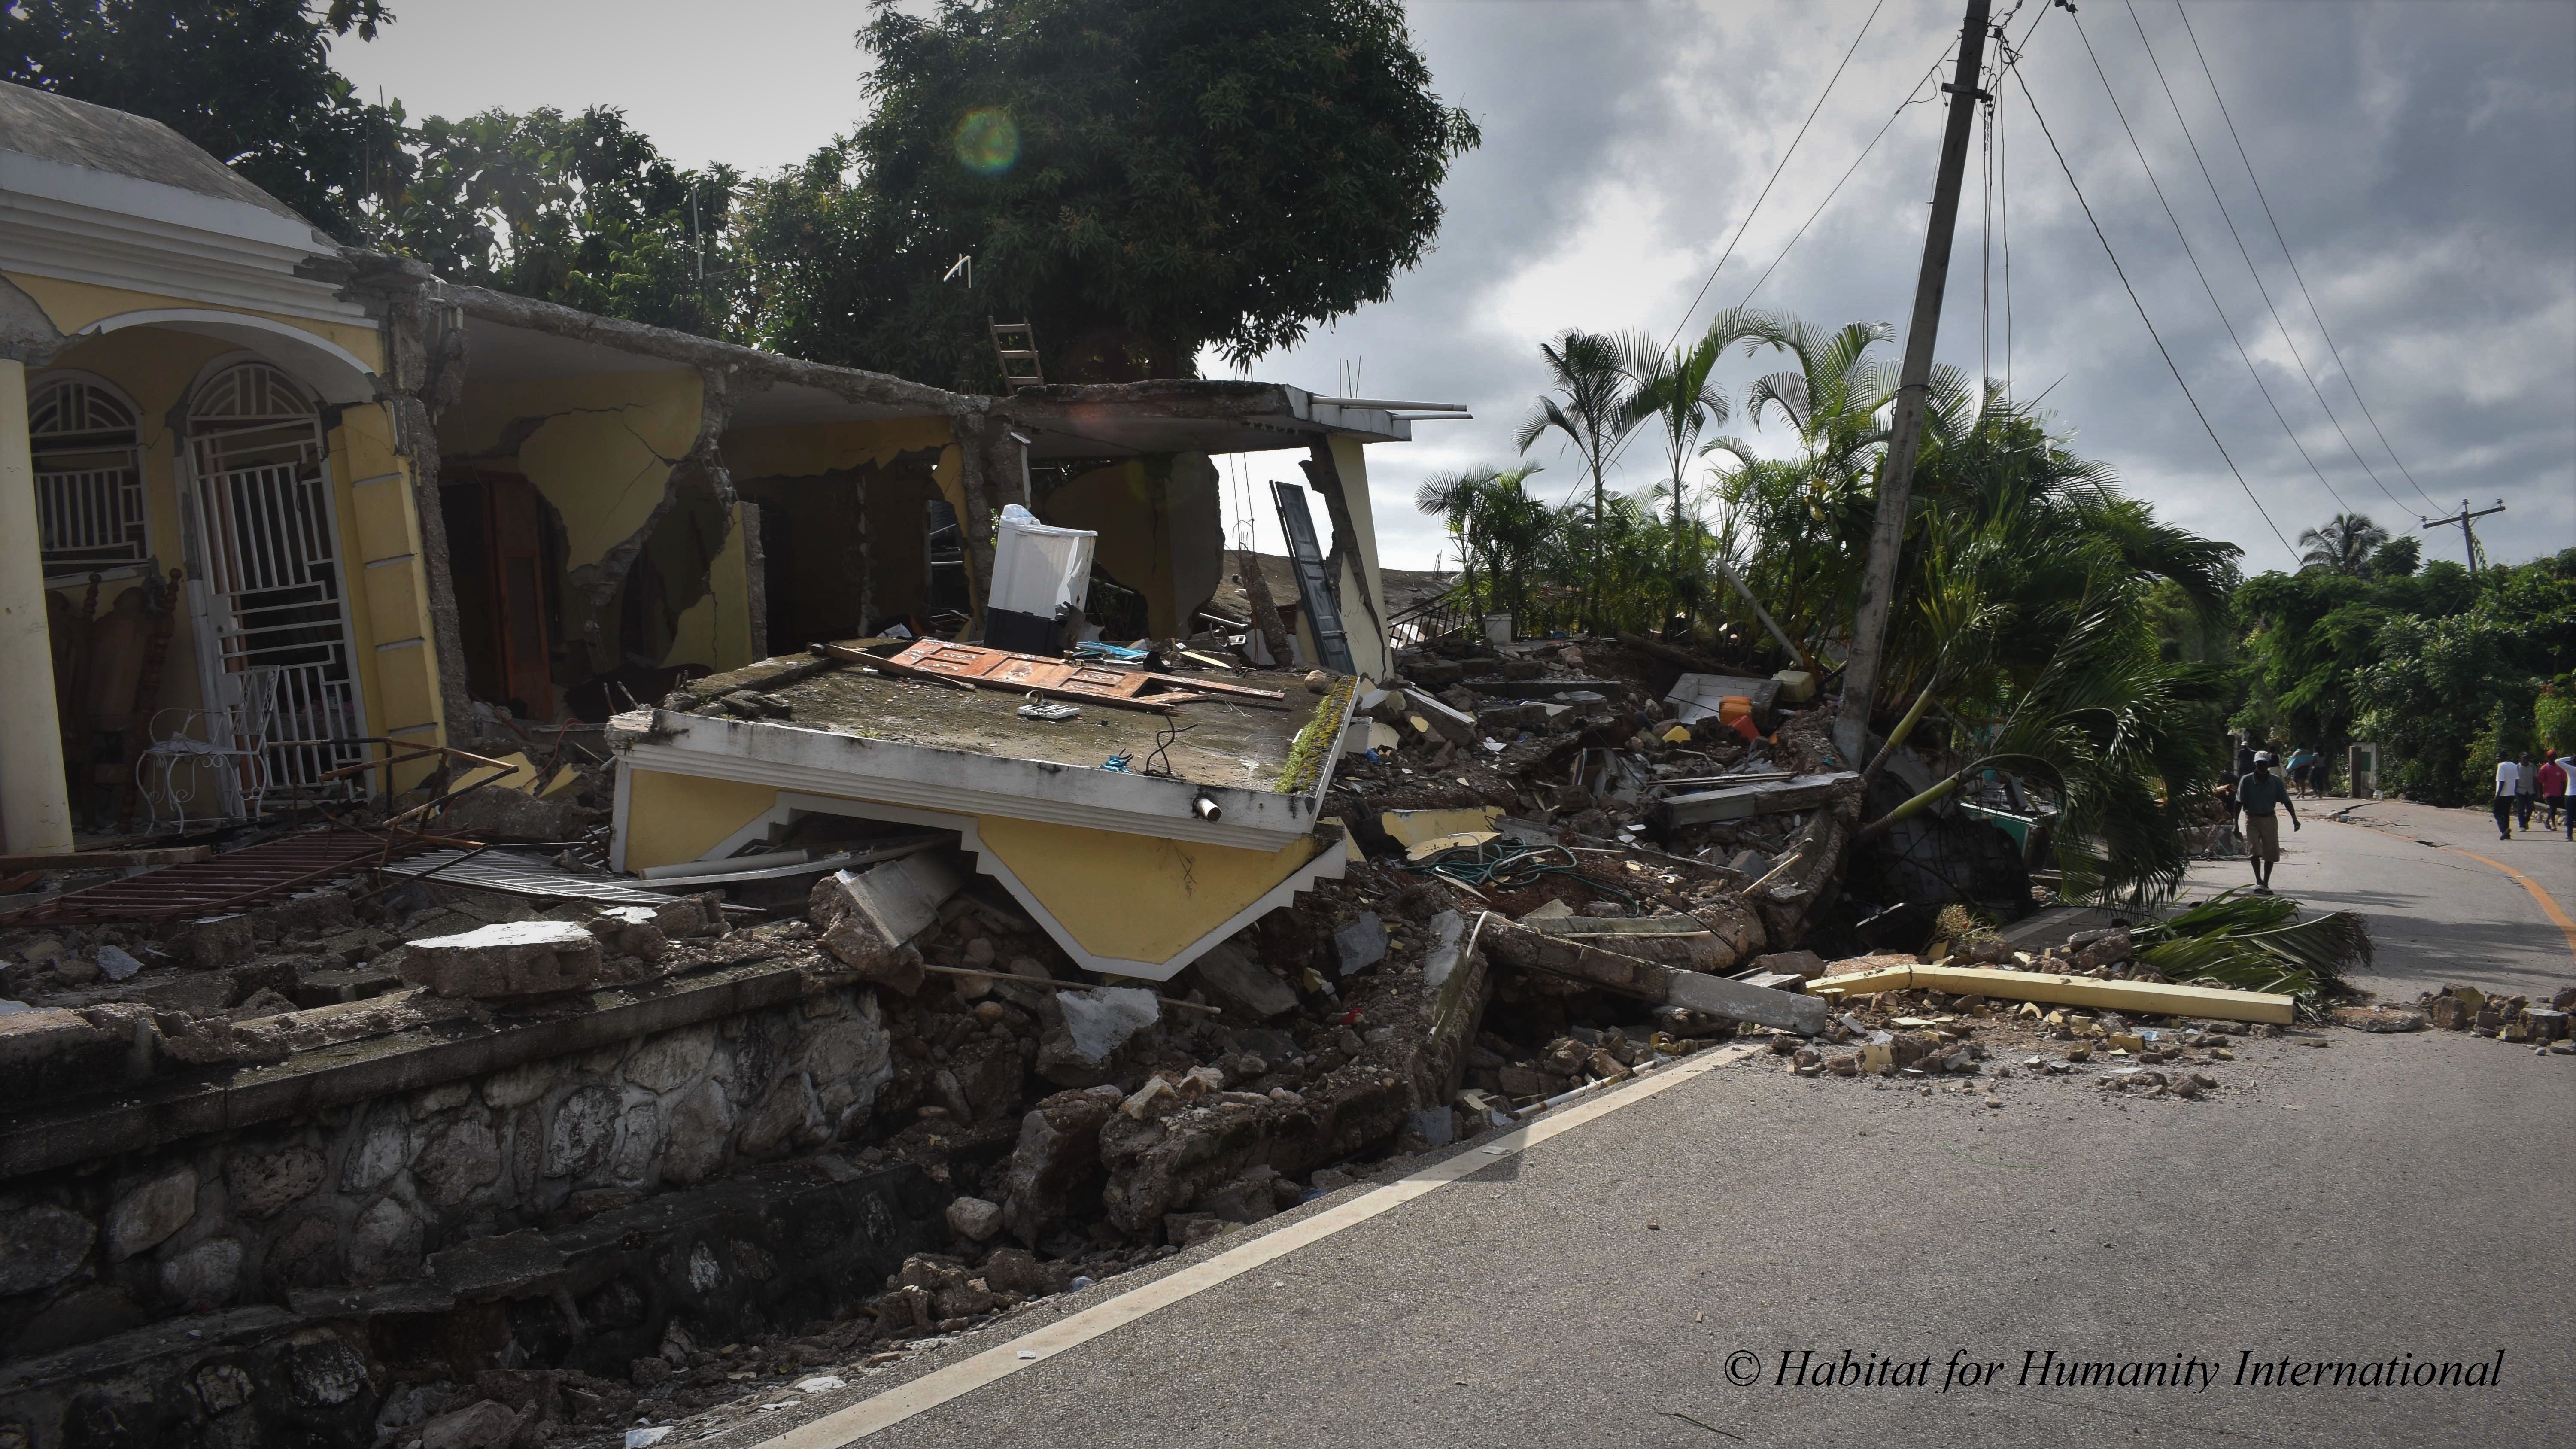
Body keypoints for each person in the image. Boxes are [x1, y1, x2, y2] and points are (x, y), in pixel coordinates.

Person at [2237, 751, 2299, 894]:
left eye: (2264, 764)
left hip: (2270, 819)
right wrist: (2236, 824)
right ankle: (2258, 882)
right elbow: (2239, 802)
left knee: (2270, 852)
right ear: (2255, 764)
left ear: (2268, 765)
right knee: (2254, 850)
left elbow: (2286, 801)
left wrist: (2295, 819)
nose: (2262, 766)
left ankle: (2266, 883)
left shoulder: (2276, 781)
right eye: (2259, 763)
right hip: (2252, 818)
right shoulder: (2246, 781)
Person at [2537, 752, 2568, 835]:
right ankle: (2552, 824)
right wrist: (2541, 794)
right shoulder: (2544, 768)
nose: (2555, 758)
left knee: (2554, 809)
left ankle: (2548, 821)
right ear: (2548, 757)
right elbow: (2540, 782)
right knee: (2553, 808)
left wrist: (2564, 792)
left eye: (2556, 756)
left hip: (2558, 792)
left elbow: (2564, 781)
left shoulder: (2560, 768)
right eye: (2553, 756)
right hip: (2548, 792)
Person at [2493, 753, 2521, 840]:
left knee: (2497, 813)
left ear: (2504, 757)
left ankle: (2504, 830)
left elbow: (2501, 781)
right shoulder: (2513, 765)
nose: (2497, 759)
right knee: (2506, 813)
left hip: (2503, 794)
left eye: (2499, 757)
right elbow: (2516, 780)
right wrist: (2515, 792)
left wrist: (2498, 794)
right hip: (2511, 793)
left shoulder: (2501, 766)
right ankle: (2507, 834)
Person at [2513, 752, 2538, 830]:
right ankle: (2522, 825)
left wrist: (2537, 791)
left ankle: (2525, 821)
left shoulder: (2533, 767)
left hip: (2530, 790)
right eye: (2524, 758)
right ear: (2521, 758)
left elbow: (2535, 779)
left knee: (2531, 808)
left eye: (2527, 758)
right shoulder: (2517, 767)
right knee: (2521, 808)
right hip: (2520, 790)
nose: (2526, 759)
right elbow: (2515, 780)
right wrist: (2514, 791)